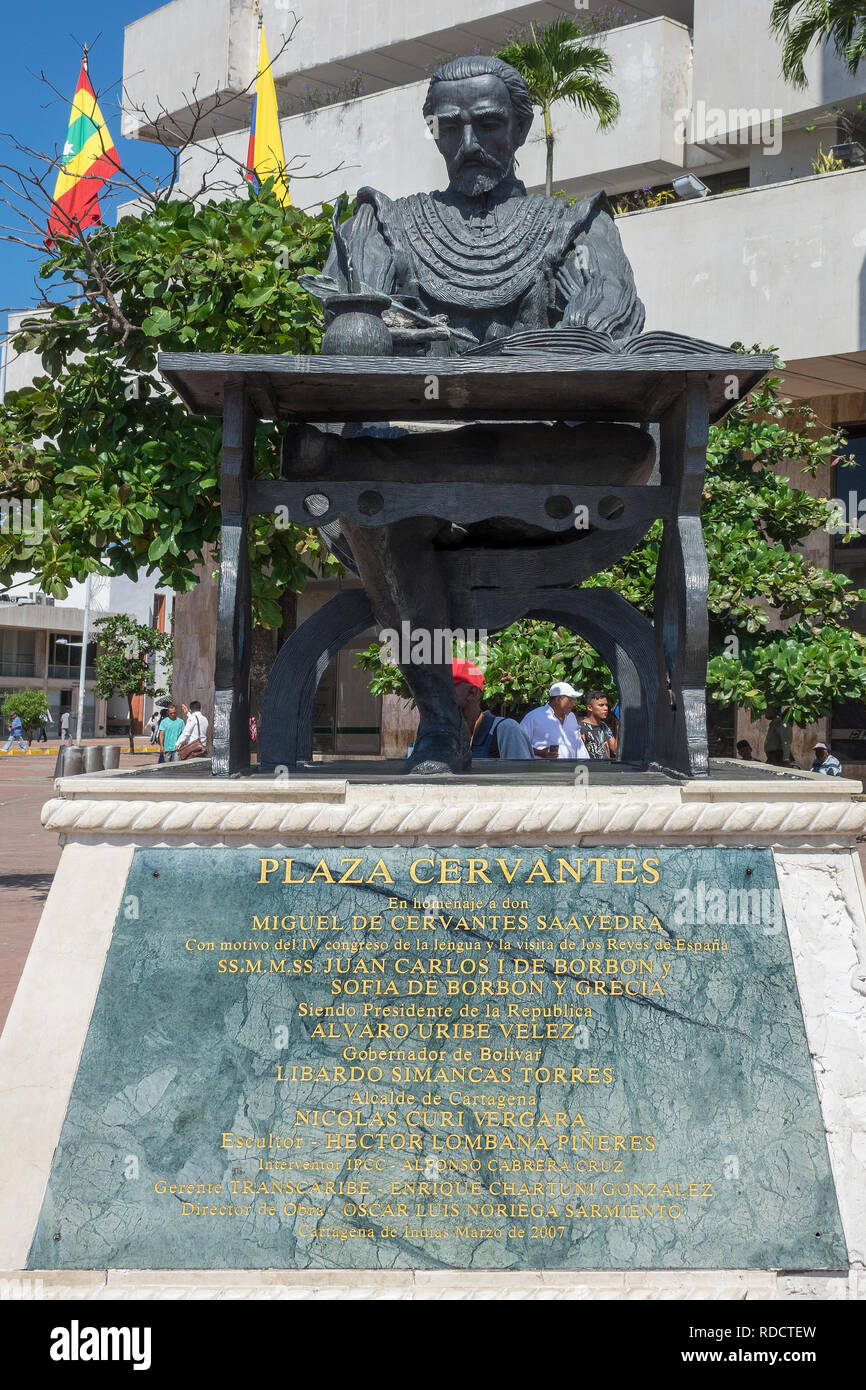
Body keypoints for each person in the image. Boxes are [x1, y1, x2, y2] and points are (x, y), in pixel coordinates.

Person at [451, 658, 533, 759]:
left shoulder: (506, 730)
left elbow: (521, 774)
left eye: (445, 688)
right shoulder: (444, 736)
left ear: (472, 693)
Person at [520, 682, 589, 760]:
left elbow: (578, 745)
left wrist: (586, 765)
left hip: (570, 770)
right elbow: (519, 745)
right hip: (543, 770)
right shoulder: (533, 717)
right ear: (558, 699)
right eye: (570, 700)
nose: (573, 704)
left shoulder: (571, 717)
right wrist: (540, 753)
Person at [577, 690, 617, 759]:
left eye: (606, 705)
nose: (606, 708)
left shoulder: (603, 726)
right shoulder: (581, 729)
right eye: (601, 705)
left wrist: (619, 726)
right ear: (590, 708)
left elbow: (615, 750)